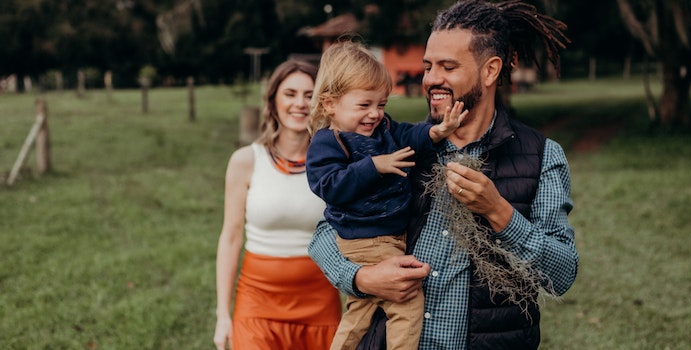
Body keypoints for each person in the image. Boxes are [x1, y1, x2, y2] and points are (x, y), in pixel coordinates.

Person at [307, 1, 579, 349]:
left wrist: (499, 212)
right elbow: (325, 230)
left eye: (448, 67)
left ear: (490, 71)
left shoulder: (542, 157)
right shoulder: (394, 144)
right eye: (428, 66)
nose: (431, 79)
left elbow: (562, 275)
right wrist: (361, 277)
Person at [305, 40, 467, 350]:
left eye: (381, 104)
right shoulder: (328, 143)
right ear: (330, 104)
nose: (375, 114)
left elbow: (408, 134)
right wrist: (374, 166)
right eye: (364, 105)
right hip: (365, 239)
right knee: (407, 301)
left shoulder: (385, 130)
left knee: (359, 312)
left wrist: (434, 132)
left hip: (387, 236)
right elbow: (328, 186)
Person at [213, 59, 341, 350]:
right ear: (272, 101)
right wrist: (223, 315)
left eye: (309, 95)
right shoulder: (246, 161)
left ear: (322, 103)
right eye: (290, 93)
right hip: (257, 303)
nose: (299, 103)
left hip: (320, 303)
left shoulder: (336, 165)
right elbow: (231, 238)